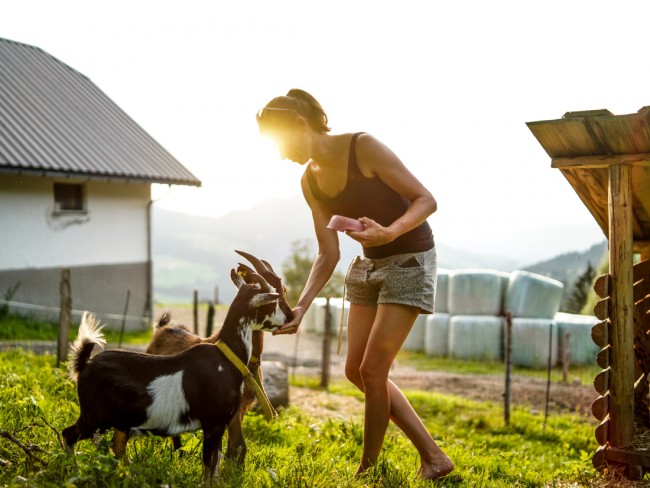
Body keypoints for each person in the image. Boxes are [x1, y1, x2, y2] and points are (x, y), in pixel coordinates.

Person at [256, 88, 454, 480]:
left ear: (300, 125)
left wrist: (391, 231)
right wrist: (301, 307)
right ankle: (434, 458)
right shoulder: (309, 182)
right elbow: (327, 253)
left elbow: (426, 199)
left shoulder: (363, 148)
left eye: (281, 142)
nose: (280, 154)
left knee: (373, 368)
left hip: (411, 258)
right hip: (368, 264)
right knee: (355, 370)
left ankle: (368, 470)